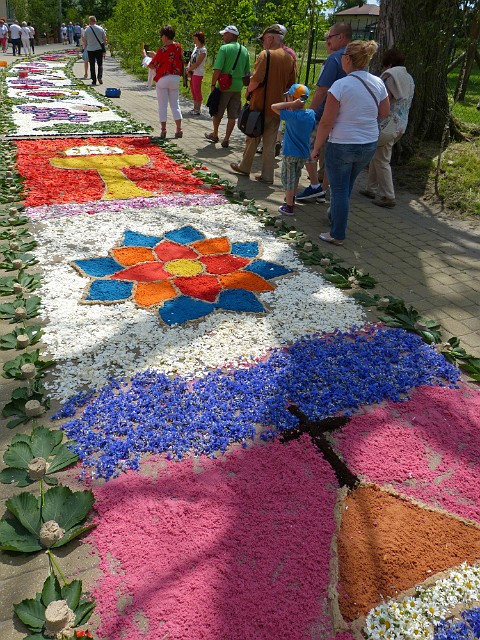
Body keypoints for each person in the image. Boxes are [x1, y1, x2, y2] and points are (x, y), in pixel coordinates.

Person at [312, 40, 390, 246]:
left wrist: (317, 147)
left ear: (347, 59)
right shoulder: (378, 82)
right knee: (346, 185)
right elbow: (384, 112)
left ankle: (337, 233)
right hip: (368, 143)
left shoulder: (341, 85)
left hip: (342, 143)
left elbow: (326, 121)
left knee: (338, 190)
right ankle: (336, 216)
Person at [230, 24, 296, 184]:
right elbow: (290, 84)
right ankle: (267, 176)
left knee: (252, 137)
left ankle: (245, 167)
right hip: (277, 108)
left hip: (259, 105)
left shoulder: (265, 55)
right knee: (270, 143)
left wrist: (247, 92)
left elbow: (256, 80)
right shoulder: (289, 58)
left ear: (271, 38)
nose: (263, 43)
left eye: (264, 39)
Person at [296, 22, 352, 202]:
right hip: (345, 117)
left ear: (341, 37)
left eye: (330, 37)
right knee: (330, 155)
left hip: (324, 115)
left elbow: (322, 90)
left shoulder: (335, 58)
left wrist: (309, 113)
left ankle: (314, 186)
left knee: (306, 146)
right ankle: (324, 190)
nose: (327, 41)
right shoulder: (357, 60)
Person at [360, 48, 415, 208]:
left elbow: (384, 100)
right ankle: (371, 188)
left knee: (382, 159)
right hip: (401, 124)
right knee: (377, 156)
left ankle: (387, 195)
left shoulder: (390, 77)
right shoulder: (409, 78)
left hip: (387, 125)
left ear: (388, 64)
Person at [271, 84, 316, 216]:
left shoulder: (291, 116)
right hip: (303, 153)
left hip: (290, 153)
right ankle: (292, 200)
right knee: (295, 177)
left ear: (293, 98)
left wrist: (291, 103)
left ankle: (289, 206)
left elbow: (273, 107)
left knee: (288, 179)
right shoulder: (310, 114)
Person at [204, 25, 250, 148]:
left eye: (225, 34)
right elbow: (247, 72)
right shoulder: (244, 50)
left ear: (231, 35)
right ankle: (227, 139)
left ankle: (215, 134)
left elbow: (217, 69)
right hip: (237, 87)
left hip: (224, 86)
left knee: (218, 111)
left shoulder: (224, 48)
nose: (223, 36)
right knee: (232, 114)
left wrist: (213, 84)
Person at [149, 24, 184, 139]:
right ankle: (179, 129)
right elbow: (174, 58)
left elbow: (152, 65)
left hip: (163, 79)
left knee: (162, 105)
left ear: (164, 36)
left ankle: (163, 130)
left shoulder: (162, 49)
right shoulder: (178, 46)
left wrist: (146, 57)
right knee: (175, 104)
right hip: (175, 78)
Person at [186, 31, 207, 116]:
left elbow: (197, 63)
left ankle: (198, 109)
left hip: (198, 73)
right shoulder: (196, 48)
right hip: (192, 72)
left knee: (197, 90)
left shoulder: (203, 50)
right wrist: (188, 67)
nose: (194, 40)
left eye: (195, 39)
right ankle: (194, 107)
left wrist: (189, 69)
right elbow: (191, 59)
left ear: (200, 39)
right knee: (193, 90)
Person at [84, 16, 106, 86]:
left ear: (90, 21)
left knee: (92, 65)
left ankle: (94, 80)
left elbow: (84, 40)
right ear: (95, 21)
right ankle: (99, 77)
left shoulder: (87, 30)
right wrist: (103, 46)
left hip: (90, 49)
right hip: (99, 49)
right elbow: (104, 39)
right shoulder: (100, 29)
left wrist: (84, 47)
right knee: (100, 64)